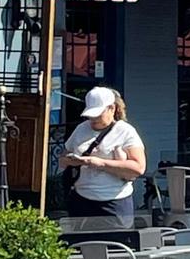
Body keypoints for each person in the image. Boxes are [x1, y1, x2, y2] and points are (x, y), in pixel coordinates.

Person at [60, 87, 145, 227]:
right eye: (90, 115)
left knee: (115, 245)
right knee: (83, 245)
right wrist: (72, 161)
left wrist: (100, 163)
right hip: (82, 200)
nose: (93, 120)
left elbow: (138, 167)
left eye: (98, 115)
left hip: (114, 201)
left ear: (112, 108)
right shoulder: (81, 128)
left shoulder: (126, 131)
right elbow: (62, 158)